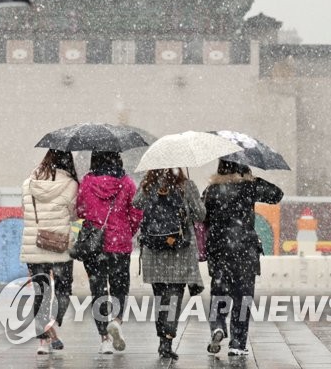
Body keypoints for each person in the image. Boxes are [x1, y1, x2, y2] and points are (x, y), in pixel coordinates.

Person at [203, 160, 283, 357]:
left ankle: (218, 326)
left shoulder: (211, 191)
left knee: (219, 292)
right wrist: (251, 178)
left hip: (219, 250)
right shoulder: (249, 187)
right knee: (243, 298)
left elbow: (202, 217)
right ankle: (237, 344)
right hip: (244, 251)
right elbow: (277, 194)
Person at [132, 168, 205, 360]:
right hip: (178, 249)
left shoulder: (148, 185)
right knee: (173, 298)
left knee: (160, 298)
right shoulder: (186, 185)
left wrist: (148, 182)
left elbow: (136, 203)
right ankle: (167, 341)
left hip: (154, 249)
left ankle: (163, 339)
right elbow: (200, 215)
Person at [75, 150, 143, 354]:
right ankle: (117, 320)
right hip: (119, 244)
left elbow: (80, 211)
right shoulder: (127, 183)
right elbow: (136, 212)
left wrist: (94, 221)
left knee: (98, 290)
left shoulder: (86, 183)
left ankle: (104, 339)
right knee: (120, 288)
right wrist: (125, 231)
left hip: (94, 245)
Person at [20, 148, 78, 355]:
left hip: (34, 244)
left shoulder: (29, 183)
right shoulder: (71, 184)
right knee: (64, 290)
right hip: (60, 245)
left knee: (41, 293)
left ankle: (44, 339)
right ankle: (53, 322)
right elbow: (74, 214)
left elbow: (25, 211)